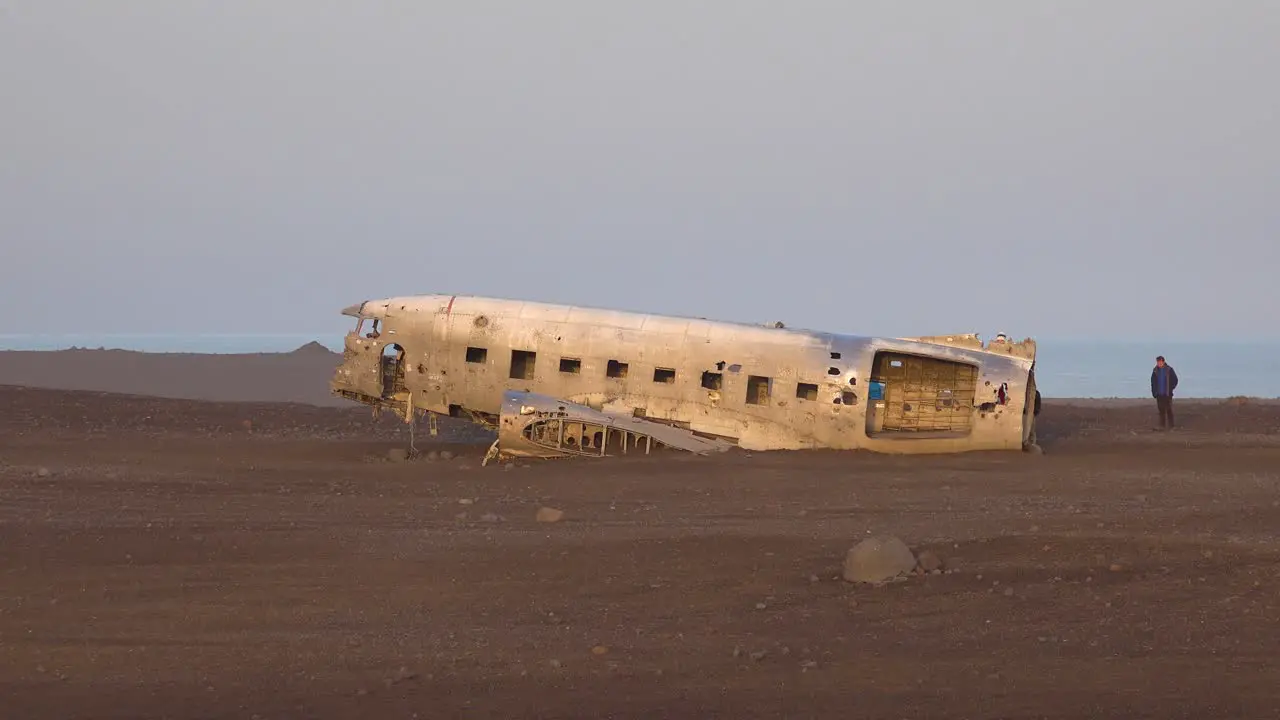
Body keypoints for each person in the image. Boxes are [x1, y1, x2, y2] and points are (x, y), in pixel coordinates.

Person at [1150, 355, 1179, 429]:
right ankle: (1162, 426)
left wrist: (1171, 388)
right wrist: (1154, 392)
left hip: (1167, 394)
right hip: (1159, 394)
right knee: (1161, 410)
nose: (1159, 363)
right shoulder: (1155, 371)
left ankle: (1171, 426)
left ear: (1163, 361)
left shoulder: (1169, 370)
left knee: (1169, 409)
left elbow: (1175, 380)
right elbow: (1153, 382)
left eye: (1160, 362)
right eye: (1157, 362)